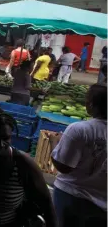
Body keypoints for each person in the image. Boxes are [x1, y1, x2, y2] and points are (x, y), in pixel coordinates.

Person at [51, 84, 107, 227]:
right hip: (102, 203)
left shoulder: (80, 129)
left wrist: (54, 144)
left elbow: (63, 166)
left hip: (71, 197)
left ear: (92, 105)